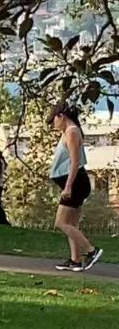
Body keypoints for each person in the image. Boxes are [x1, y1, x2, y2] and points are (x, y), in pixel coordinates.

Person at [48, 102, 103, 272]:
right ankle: (75, 260)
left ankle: (92, 251)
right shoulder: (68, 131)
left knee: (61, 222)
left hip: (75, 183)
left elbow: (74, 162)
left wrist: (68, 186)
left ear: (61, 116)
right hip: (74, 183)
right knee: (71, 224)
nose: (53, 125)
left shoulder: (72, 132)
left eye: (53, 120)